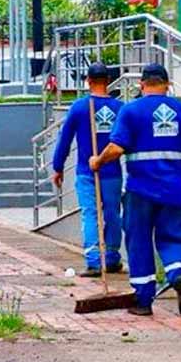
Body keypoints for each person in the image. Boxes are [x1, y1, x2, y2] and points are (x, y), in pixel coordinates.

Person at [91, 64, 181, 318]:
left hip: (139, 191)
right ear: (167, 84)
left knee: (139, 241)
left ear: (142, 85)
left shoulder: (130, 110)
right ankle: (179, 274)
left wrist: (97, 161)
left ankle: (144, 301)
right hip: (175, 192)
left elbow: (116, 148)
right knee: (175, 239)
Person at [51, 62, 124, 277]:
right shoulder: (119, 109)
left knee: (90, 213)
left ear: (88, 81)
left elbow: (64, 140)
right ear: (108, 81)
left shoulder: (79, 107)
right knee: (112, 213)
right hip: (112, 172)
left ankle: (93, 260)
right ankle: (111, 256)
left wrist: (58, 167)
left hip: (86, 171)